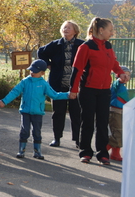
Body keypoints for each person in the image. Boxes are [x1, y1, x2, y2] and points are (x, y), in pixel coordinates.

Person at [70, 17, 127, 165]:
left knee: (102, 123)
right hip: (88, 89)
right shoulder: (86, 47)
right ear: (101, 30)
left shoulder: (108, 45)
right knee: (88, 121)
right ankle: (85, 152)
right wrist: (74, 90)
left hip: (104, 91)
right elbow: (76, 70)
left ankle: (102, 154)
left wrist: (120, 72)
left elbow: (113, 62)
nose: (112, 33)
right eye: (110, 30)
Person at [1, 59, 71, 159]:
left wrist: (67, 95)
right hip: (25, 111)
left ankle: (37, 151)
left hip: (37, 112)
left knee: (37, 132)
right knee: (24, 130)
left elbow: (54, 95)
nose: (32, 73)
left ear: (42, 73)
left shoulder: (44, 84)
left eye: (35, 71)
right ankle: (21, 150)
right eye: (31, 70)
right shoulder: (25, 81)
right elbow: (15, 92)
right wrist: (4, 101)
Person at [38, 20, 84, 148]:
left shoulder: (81, 45)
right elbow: (41, 52)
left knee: (76, 113)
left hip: (76, 86)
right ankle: (57, 138)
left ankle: (78, 140)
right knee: (58, 112)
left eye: (69, 28)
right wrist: (48, 64)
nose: (66, 29)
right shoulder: (56, 44)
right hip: (58, 84)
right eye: (64, 27)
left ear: (75, 31)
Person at [108, 66, 132, 161]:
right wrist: (120, 79)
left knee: (120, 132)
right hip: (115, 112)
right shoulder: (117, 84)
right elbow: (118, 83)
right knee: (118, 133)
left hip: (121, 112)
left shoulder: (124, 87)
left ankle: (115, 153)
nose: (127, 77)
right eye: (125, 75)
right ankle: (104, 148)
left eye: (129, 75)